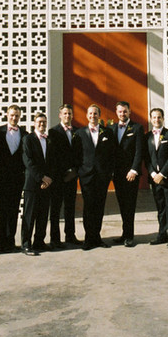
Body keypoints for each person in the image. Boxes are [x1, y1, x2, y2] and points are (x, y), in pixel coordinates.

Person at [72, 103, 116, 250]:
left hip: (102, 177)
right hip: (87, 176)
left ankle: (97, 237)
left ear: (99, 115)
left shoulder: (107, 133)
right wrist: (80, 171)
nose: (92, 116)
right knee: (88, 207)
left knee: (99, 207)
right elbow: (76, 155)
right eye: (90, 114)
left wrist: (109, 172)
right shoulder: (79, 133)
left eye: (95, 114)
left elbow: (112, 154)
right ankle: (88, 238)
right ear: (86, 115)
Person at [0, 104, 27, 253]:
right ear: (7, 115)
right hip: (2, 178)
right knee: (2, 212)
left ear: (20, 116)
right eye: (11, 115)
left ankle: (11, 242)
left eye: (16, 115)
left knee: (14, 211)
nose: (14, 118)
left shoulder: (24, 133)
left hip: (17, 178)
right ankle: (1, 244)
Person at [21, 112, 56, 255]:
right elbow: (28, 161)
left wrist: (49, 179)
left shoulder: (49, 140)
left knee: (43, 215)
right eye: (39, 122)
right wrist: (41, 177)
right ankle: (26, 244)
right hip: (32, 183)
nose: (42, 124)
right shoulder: (28, 139)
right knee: (29, 215)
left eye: (44, 122)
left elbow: (52, 162)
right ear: (35, 123)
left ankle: (39, 241)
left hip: (46, 183)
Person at [111, 101, 144, 247]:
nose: (122, 114)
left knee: (130, 205)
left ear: (129, 112)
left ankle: (129, 236)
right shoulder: (111, 128)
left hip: (131, 173)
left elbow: (139, 151)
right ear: (116, 112)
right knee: (122, 204)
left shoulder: (137, 128)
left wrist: (134, 170)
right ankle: (124, 233)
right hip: (117, 174)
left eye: (125, 111)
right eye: (120, 111)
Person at [145, 108, 168, 248]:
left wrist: (162, 174)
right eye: (154, 117)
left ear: (163, 118)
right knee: (161, 208)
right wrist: (154, 174)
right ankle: (162, 234)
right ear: (150, 119)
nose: (156, 120)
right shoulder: (147, 136)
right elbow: (146, 158)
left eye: (159, 117)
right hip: (155, 179)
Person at [48, 103, 81, 247]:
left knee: (70, 207)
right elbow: (51, 155)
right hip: (57, 177)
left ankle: (70, 235)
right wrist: (60, 174)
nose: (67, 116)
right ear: (60, 115)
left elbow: (80, 153)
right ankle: (55, 239)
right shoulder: (53, 132)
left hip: (72, 176)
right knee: (55, 209)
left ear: (72, 116)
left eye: (69, 113)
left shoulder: (78, 132)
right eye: (65, 113)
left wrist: (74, 171)